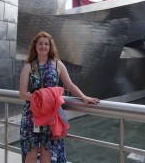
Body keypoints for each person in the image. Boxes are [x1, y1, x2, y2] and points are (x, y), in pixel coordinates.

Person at [19, 31, 100, 163]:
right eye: (40, 43)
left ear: (50, 47)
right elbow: (22, 94)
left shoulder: (58, 65)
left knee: (47, 151)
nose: (43, 46)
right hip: (31, 114)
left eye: (46, 44)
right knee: (31, 151)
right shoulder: (28, 66)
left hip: (51, 115)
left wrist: (84, 97)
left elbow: (70, 85)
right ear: (35, 46)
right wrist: (43, 99)